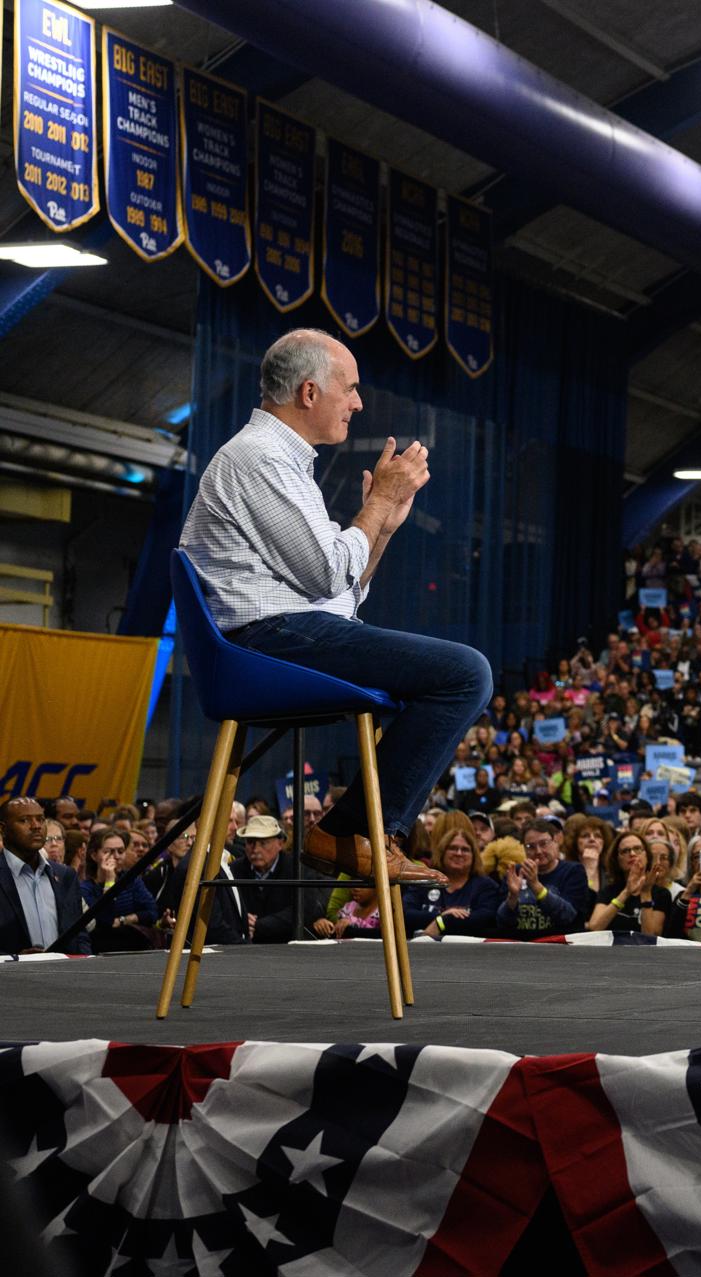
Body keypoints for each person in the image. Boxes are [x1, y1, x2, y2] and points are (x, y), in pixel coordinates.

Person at [179, 328, 490, 887]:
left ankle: (353, 833)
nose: (358, 402)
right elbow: (328, 572)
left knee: (459, 673)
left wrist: (384, 528)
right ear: (308, 392)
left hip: (284, 632)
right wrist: (377, 503)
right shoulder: (259, 459)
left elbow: (340, 592)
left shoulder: (287, 463)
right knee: (464, 673)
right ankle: (357, 833)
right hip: (261, 643)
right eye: (350, 388)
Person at [1, 798, 91, 956]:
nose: (36, 826)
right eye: (24, 820)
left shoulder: (65, 876)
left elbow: (79, 934)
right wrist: (13, 961)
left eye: (40, 819)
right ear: (2, 829)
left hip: (64, 976)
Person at [400, 812, 503, 939]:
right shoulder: (425, 880)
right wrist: (443, 916)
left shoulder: (486, 886)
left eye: (465, 849)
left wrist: (442, 922)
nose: (459, 853)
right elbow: (405, 914)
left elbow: (485, 918)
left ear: (474, 856)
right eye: (453, 848)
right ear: (442, 852)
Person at [232, 815, 309, 944]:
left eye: (263, 843)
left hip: (286, 945)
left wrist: (260, 925)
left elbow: (305, 909)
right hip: (243, 948)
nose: (255, 849)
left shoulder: (296, 870)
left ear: (280, 843)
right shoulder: (234, 870)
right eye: (250, 842)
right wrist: (241, 919)